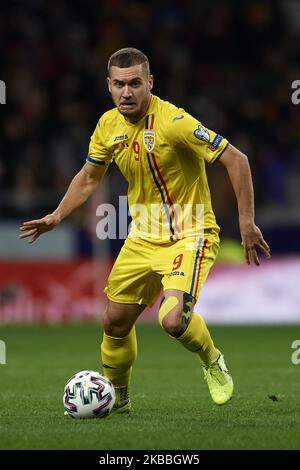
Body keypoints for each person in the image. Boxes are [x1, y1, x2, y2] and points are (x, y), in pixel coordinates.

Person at [20, 47, 271, 413]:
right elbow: (89, 176)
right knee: (114, 321)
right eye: (119, 84)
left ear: (149, 82)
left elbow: (237, 159)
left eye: (135, 83)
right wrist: (57, 215)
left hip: (191, 233)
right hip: (142, 236)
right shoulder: (108, 125)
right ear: (108, 86)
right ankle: (118, 399)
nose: (127, 92)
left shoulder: (175, 122)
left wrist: (246, 223)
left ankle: (212, 360)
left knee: (171, 321)